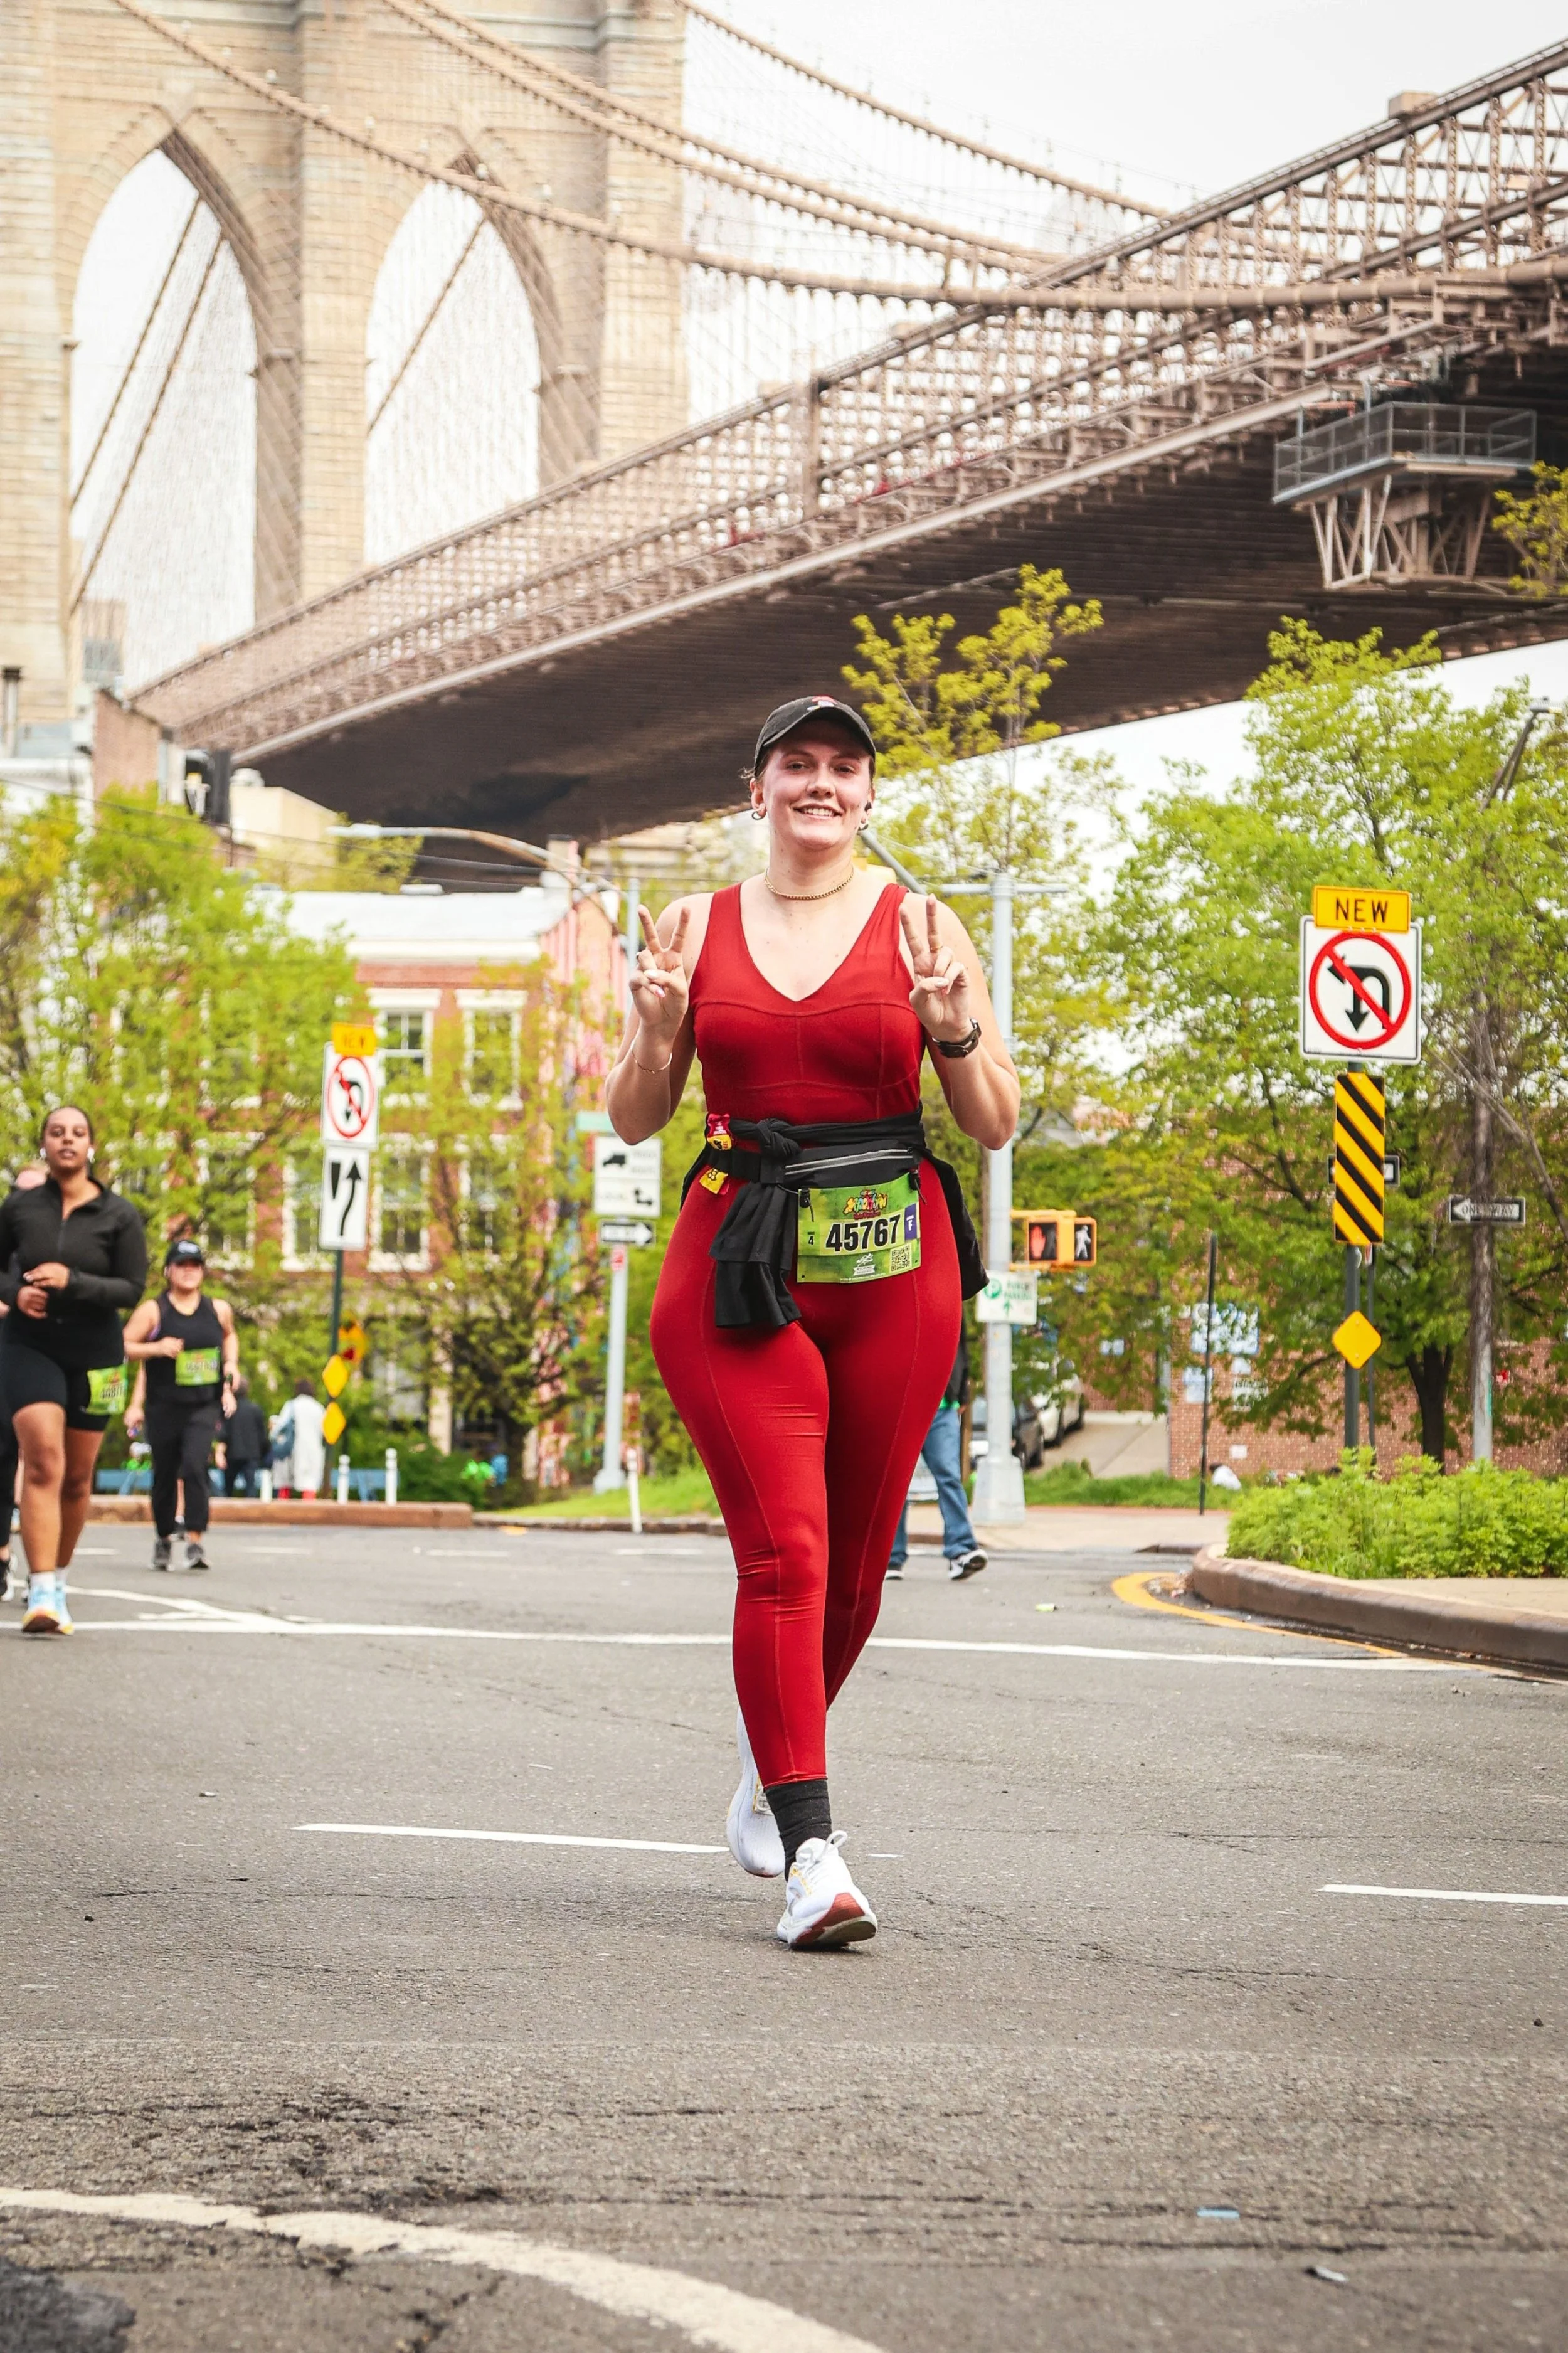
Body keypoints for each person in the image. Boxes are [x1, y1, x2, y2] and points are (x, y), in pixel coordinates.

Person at [606, 694, 1017, 1948]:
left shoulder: (926, 924)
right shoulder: (691, 923)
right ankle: (813, 1854)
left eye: (844, 767)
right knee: (782, 1553)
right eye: (798, 764)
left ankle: (767, 1761)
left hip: (896, 1257)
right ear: (757, 788)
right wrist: (659, 1029)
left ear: (869, 796)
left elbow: (994, 1118)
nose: (820, 784)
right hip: (738, 1257)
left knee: (848, 1566)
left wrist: (948, 1027)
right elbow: (634, 1115)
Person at [0, 1108, 147, 1635]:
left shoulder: (119, 1214)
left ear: (91, 1146)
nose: (67, 1140)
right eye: (57, 1132)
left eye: (78, 1133)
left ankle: (58, 1577)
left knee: (78, 1476)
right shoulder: (19, 1207)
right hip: (29, 1342)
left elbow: (132, 1288)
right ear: (44, 1144)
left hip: (97, 1351)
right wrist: (15, 1292)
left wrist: (74, 1280)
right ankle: (41, 1593)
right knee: (43, 1458)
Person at [124, 1238, 239, 1571]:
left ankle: (196, 1541)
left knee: (195, 1467)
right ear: (168, 1271)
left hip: (203, 1404)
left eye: (195, 1266)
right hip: (164, 1406)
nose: (189, 1272)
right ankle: (163, 1536)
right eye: (182, 1266)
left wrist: (231, 1367)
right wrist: (157, 1349)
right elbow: (125, 1346)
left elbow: (230, 1336)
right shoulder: (154, 1310)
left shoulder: (217, 1309)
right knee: (164, 1473)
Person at [886, 1339, 987, 1582]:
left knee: (949, 1475)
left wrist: (962, 1392)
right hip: (902, 1403)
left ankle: (961, 1550)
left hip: (942, 1407)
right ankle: (890, 1557)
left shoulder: (951, 1299)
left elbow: (960, 1345)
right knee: (896, 1479)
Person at [270, 1378, 326, 1499]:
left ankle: (283, 1514)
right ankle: (309, 1515)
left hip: (292, 1451)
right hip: (313, 1451)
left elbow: (280, 1428)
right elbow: (325, 1431)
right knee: (309, 1485)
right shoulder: (319, 1408)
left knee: (285, 1484)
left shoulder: (292, 1406)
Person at [218, 1373, 268, 1498]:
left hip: (232, 1453)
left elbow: (223, 1434)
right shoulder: (256, 1410)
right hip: (252, 1454)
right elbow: (262, 1436)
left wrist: (220, 1453)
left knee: (228, 1488)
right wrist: (263, 1453)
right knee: (251, 1487)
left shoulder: (228, 1410)